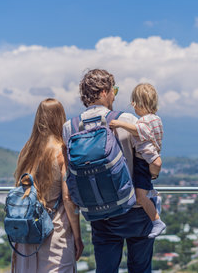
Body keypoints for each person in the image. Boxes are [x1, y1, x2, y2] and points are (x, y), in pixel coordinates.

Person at [62, 69, 158, 273]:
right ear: (105, 91)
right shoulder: (128, 121)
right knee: (140, 268)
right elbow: (145, 166)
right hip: (134, 209)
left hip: (99, 212)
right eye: (114, 89)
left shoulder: (70, 127)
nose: (115, 94)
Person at [13, 98, 83, 273]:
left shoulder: (26, 150)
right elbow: (67, 198)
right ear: (60, 118)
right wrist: (77, 236)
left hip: (26, 231)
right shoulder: (62, 151)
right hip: (55, 230)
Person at [109, 83, 166, 238]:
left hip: (142, 161)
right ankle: (153, 202)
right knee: (143, 191)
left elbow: (140, 131)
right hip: (148, 160)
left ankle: (156, 220)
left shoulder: (144, 121)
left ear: (139, 104)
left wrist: (120, 124)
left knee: (140, 196)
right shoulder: (157, 119)